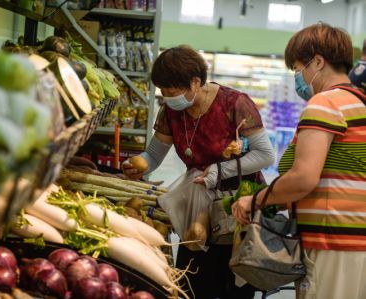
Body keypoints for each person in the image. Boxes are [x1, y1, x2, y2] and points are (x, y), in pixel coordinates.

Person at [122, 45, 275, 299]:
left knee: (234, 286)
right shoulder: (171, 111)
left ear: (195, 82)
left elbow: (265, 155)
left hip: (237, 207)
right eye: (162, 92)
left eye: (172, 92)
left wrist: (218, 170)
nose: (167, 98)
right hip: (197, 207)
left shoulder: (235, 104)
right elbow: (154, 154)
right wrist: (140, 164)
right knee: (190, 283)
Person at [232, 23, 366, 299]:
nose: (299, 77)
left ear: (318, 61)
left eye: (297, 68)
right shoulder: (358, 102)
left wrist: (254, 200)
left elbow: (304, 177)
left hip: (332, 242)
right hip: (355, 241)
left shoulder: (325, 104)